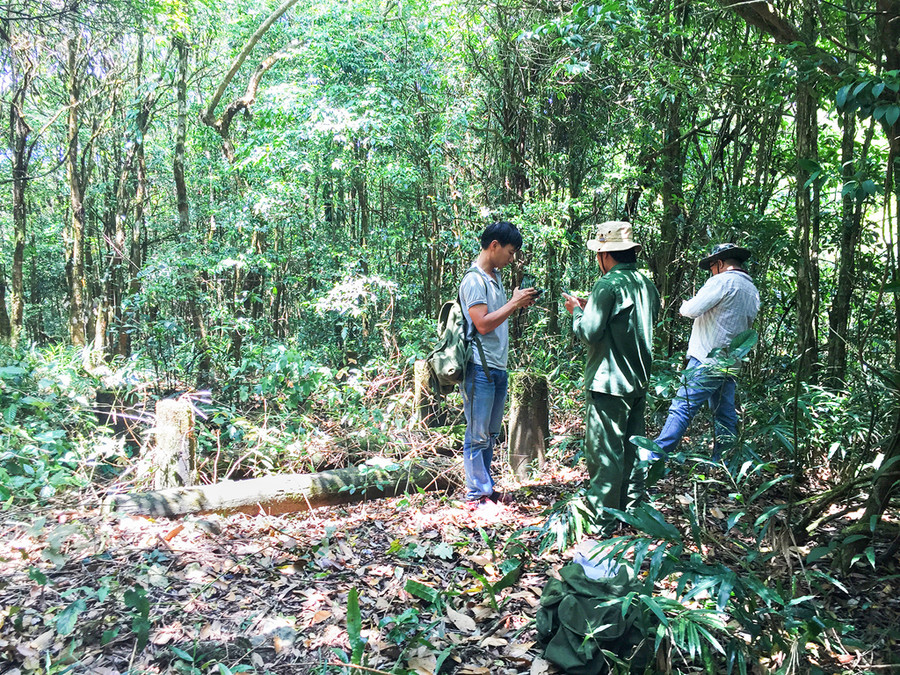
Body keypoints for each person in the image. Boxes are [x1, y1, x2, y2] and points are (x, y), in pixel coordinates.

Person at [563, 221, 660, 535]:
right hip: (637, 382)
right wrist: (591, 308)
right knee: (632, 453)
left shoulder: (607, 284)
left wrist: (577, 312)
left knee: (605, 456)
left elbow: (590, 332)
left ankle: (603, 526)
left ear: (606, 254)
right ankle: (631, 517)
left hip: (608, 383)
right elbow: (626, 323)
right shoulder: (646, 284)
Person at [651, 243, 761, 460]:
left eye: (711, 267)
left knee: (681, 408)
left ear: (719, 263)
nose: (711, 272)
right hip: (731, 362)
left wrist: (685, 304)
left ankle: (652, 459)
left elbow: (691, 310)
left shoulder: (722, 281)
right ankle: (723, 465)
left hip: (707, 360)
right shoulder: (751, 289)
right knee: (725, 415)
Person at [459, 221, 538, 507]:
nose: (512, 258)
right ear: (494, 246)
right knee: (477, 434)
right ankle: (476, 495)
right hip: (479, 367)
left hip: (496, 367)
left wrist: (516, 303)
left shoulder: (495, 278)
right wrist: (514, 304)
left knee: (490, 434)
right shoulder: (474, 280)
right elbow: (481, 324)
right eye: (510, 251)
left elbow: (495, 317)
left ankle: (486, 489)